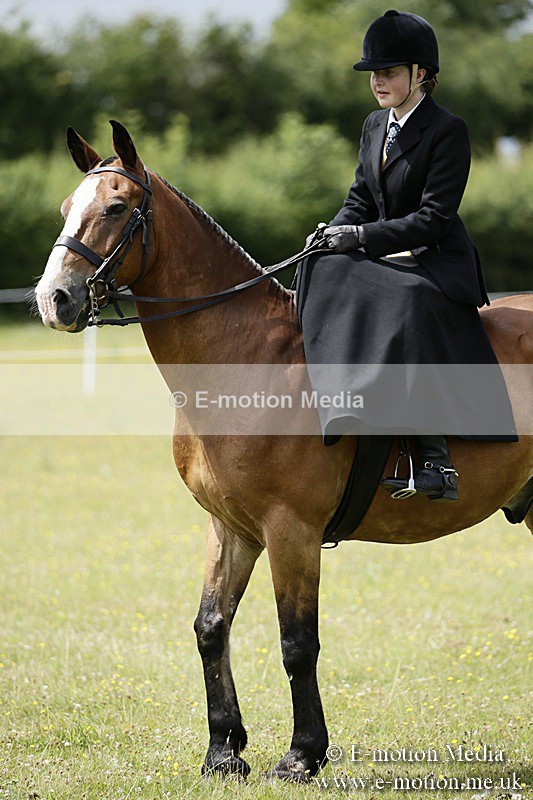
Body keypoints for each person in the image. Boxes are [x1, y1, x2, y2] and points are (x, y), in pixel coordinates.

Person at [297, 9, 517, 503]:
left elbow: (434, 218)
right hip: (386, 253)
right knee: (321, 268)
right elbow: (359, 198)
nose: (378, 81)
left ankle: (433, 456)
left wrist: (361, 237)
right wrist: (332, 233)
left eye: (389, 72)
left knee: (404, 300)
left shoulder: (447, 130)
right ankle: (344, 403)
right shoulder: (375, 124)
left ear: (421, 74)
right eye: (374, 73)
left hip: (435, 259)